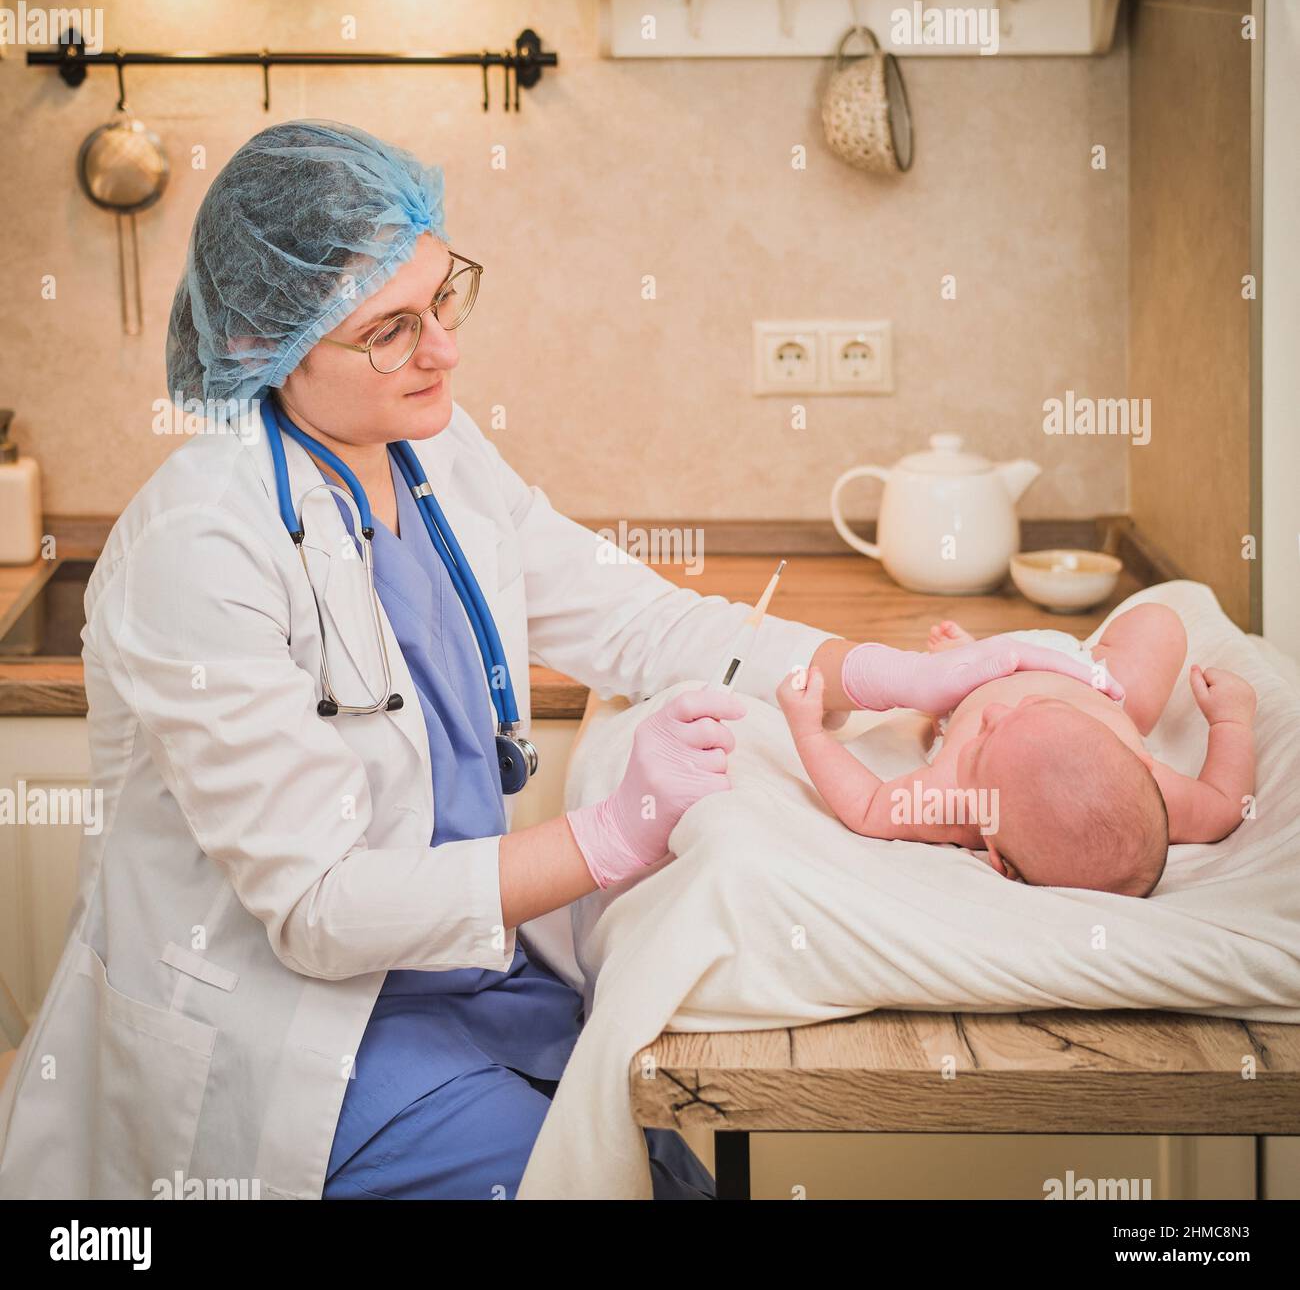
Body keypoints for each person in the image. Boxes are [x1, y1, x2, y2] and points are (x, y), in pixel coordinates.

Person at [0, 121, 1115, 1200]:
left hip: (473, 980)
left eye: (441, 296)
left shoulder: (425, 444)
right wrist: (611, 835)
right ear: (269, 343)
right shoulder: (204, 547)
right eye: (389, 328)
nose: (444, 347)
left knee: (666, 1166)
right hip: (304, 1046)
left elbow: (640, 622)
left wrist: (890, 675)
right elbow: (322, 908)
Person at [777, 604, 1257, 895]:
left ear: (996, 855)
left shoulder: (955, 801)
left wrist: (809, 733)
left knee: (953, 690)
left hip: (976, 682)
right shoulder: (1151, 788)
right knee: (1160, 623)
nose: (995, 715)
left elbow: (866, 806)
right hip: (1093, 676)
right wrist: (1232, 719)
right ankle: (974, 657)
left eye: (980, 746)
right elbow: (1223, 803)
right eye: (1031, 708)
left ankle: (967, 655)